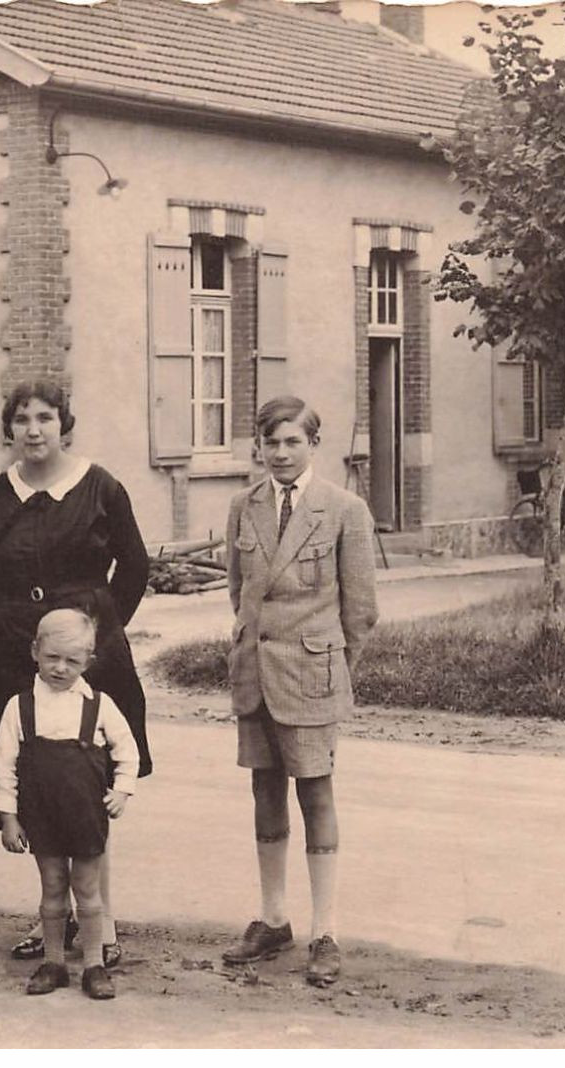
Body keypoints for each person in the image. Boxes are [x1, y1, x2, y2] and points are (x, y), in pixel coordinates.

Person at [0, 379, 152, 968]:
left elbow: (133, 567)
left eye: (45, 418)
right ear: (8, 428)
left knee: (85, 785)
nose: (34, 430)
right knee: (34, 784)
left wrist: (97, 631)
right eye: (22, 420)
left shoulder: (101, 487)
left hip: (88, 656)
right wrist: (19, 628)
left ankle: (101, 926)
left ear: (65, 424)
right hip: (17, 654)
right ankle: (52, 922)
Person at [222, 395, 378, 986]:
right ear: (258, 446)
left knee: (316, 796)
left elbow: (360, 611)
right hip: (255, 676)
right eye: (271, 442)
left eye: (293, 441)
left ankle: (326, 931)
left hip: (311, 676)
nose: (281, 453)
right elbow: (240, 594)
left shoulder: (343, 509)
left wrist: (330, 665)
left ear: (313, 444)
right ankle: (273, 918)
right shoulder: (243, 506)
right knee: (265, 791)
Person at [0, 609, 139, 1000]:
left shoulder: (99, 705)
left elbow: (128, 751)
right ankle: (54, 962)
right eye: (52, 657)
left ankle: (93, 964)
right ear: (35, 651)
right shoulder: (19, 707)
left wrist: (121, 790)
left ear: (88, 662)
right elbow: (3, 766)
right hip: (41, 815)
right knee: (53, 887)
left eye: (72, 661)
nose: (60, 668)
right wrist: (9, 817)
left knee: (88, 889)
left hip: (85, 815)